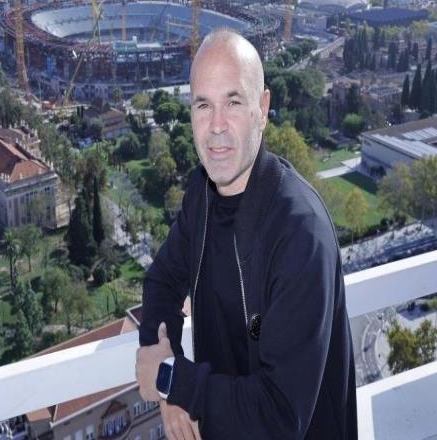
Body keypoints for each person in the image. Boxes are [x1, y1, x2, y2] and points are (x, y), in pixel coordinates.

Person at [136, 29, 357, 439]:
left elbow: (279, 415)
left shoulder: (300, 234)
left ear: (263, 108)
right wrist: (168, 378)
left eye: (233, 102)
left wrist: (172, 380)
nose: (216, 126)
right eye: (203, 105)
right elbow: (162, 282)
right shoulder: (202, 195)